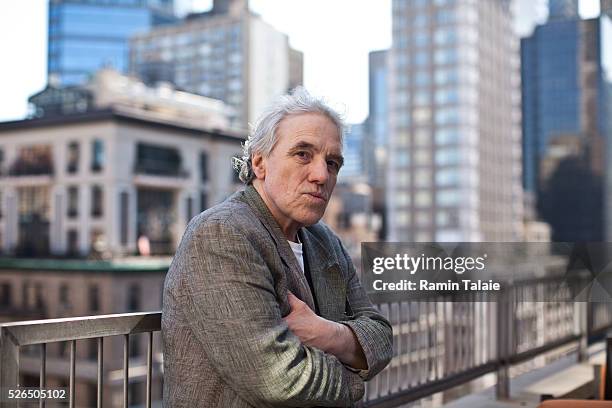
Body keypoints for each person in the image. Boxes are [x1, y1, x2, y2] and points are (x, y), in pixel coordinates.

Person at [162, 87, 393, 407]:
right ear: (260, 163)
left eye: (333, 163)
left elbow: (380, 335)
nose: (321, 175)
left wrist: (325, 334)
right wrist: (354, 378)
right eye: (302, 154)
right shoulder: (220, 234)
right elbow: (277, 378)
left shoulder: (325, 241)